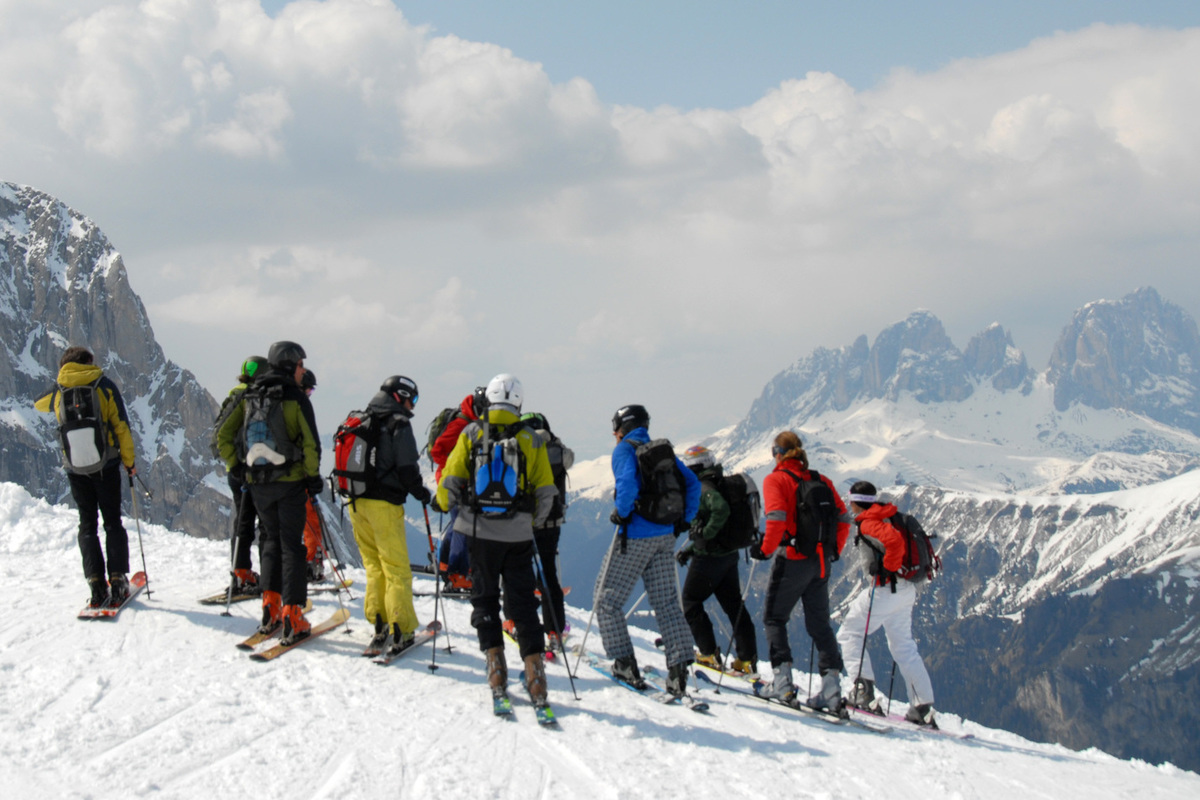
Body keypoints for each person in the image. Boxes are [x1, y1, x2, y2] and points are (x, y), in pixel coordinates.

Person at [436, 374, 557, 709]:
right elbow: (546, 492)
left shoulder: (472, 432)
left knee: (485, 600)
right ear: (518, 403)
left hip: (478, 533)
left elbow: (450, 483)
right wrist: (528, 521)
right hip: (517, 536)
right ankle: (535, 674)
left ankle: (496, 669)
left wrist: (447, 505)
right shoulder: (531, 438)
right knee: (522, 604)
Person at [217, 340, 321, 644]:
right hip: (289, 482)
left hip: (258, 482)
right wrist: (312, 478)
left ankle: (270, 608)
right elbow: (311, 444)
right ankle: (293, 614)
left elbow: (224, 434)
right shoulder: (295, 398)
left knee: (269, 541)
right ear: (290, 364)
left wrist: (236, 465)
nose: (303, 370)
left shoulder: (251, 394)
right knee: (292, 546)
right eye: (301, 364)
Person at [597, 405, 701, 698]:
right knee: (667, 602)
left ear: (622, 426)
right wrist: (685, 519)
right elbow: (692, 483)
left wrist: (622, 512)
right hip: (666, 535)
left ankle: (624, 663)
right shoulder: (662, 450)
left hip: (636, 536)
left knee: (607, 599)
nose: (614, 433)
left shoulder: (624, 451)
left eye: (615, 427)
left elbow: (627, 485)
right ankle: (679, 669)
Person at [754, 430, 849, 712]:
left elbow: (776, 520)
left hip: (792, 559)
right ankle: (831, 690)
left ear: (778, 454)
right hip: (820, 562)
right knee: (819, 623)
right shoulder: (822, 480)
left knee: (774, 617)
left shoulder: (776, 480)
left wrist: (764, 550)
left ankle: (782, 683)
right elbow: (844, 518)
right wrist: (834, 550)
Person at [35, 346, 137, 608]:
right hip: (106, 464)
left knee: (87, 524)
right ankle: (117, 581)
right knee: (112, 521)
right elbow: (121, 426)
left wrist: (60, 384)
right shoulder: (103, 385)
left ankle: (96, 585)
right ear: (88, 362)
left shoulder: (59, 391)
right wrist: (129, 462)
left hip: (75, 468)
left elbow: (38, 404)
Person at [837, 480, 938, 728]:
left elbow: (894, 542)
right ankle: (922, 706)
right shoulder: (889, 513)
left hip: (884, 589)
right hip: (905, 590)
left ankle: (863, 691)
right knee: (903, 646)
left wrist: (889, 568)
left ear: (854, 501)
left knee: (849, 633)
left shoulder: (870, 521)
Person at [349, 376, 433, 654]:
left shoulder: (362, 419)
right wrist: (421, 493)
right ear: (400, 396)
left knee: (374, 567)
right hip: (384, 505)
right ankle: (402, 629)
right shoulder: (398, 423)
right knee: (396, 569)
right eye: (414, 399)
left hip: (356, 503)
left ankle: (379, 624)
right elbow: (408, 467)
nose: (413, 405)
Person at [676, 445, 758, 675]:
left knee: (690, 601)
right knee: (733, 605)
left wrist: (703, 537)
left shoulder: (704, 487)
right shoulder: (719, 482)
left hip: (710, 558)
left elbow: (719, 512)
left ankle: (708, 653)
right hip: (728, 555)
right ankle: (747, 659)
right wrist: (692, 548)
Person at [505, 411, 574, 651]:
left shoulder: (520, 444)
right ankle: (554, 631)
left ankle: (513, 621)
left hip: (523, 520)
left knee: (515, 570)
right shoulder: (557, 448)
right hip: (552, 522)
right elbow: (570, 459)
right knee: (548, 575)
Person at [214, 356, 267, 595]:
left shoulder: (235, 394)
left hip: (236, 471)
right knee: (262, 524)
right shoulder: (249, 398)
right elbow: (221, 435)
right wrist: (237, 464)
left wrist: (233, 464)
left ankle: (241, 572)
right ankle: (264, 576)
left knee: (243, 522)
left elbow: (221, 434)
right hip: (251, 470)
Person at [429, 387, 485, 591]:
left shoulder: (467, 422)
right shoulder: (462, 424)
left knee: (456, 525)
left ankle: (446, 565)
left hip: (455, 479)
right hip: (454, 481)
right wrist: (454, 469)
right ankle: (456, 573)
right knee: (462, 526)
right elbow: (438, 451)